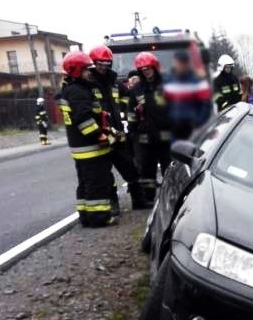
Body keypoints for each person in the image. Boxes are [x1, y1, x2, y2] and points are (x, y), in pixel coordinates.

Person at [88, 45, 151, 213]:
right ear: (93, 63)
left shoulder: (114, 83)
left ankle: (139, 201)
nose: (103, 67)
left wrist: (127, 111)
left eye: (106, 63)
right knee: (106, 175)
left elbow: (129, 98)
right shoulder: (87, 85)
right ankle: (113, 206)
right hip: (100, 137)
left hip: (118, 135)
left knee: (131, 169)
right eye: (100, 63)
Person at [56, 51, 115, 228]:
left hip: (81, 149)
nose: (89, 73)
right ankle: (99, 218)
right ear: (75, 71)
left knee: (85, 184)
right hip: (90, 147)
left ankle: (86, 216)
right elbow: (84, 119)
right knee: (97, 183)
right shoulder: (78, 91)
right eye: (85, 70)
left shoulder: (70, 90)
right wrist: (100, 135)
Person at [128, 51, 172, 201]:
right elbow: (131, 113)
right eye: (143, 69)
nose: (146, 71)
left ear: (154, 67)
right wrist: (133, 131)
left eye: (148, 68)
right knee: (146, 171)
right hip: (144, 138)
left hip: (166, 136)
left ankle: (170, 196)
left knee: (169, 168)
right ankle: (148, 198)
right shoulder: (136, 89)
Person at [163, 43, 213, 141]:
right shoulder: (168, 82)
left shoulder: (198, 83)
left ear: (187, 64)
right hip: (174, 131)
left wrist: (198, 122)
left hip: (193, 130)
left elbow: (206, 105)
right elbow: (163, 104)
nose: (180, 65)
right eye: (178, 62)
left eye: (183, 63)